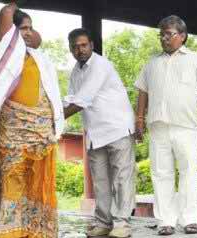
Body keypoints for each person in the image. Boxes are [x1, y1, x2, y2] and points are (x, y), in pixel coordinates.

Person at [0, 2, 64, 238]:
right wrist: (14, 11)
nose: (28, 32)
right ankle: (13, 233)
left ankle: (37, 232)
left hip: (41, 134)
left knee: (37, 184)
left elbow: (37, 38)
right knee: (15, 182)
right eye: (23, 29)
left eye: (31, 28)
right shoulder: (7, 54)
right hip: (14, 131)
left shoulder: (37, 56)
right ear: (11, 32)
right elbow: (6, 13)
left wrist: (28, 30)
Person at [134, 15, 197, 236]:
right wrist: (139, 119)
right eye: (161, 34)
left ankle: (190, 219)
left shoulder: (195, 59)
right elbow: (142, 92)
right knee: (161, 174)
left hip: (186, 127)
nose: (164, 38)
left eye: (168, 34)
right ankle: (165, 221)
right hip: (158, 127)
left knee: (189, 172)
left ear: (182, 36)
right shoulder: (152, 63)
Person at [64, 28, 136, 238]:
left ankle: (122, 223)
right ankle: (104, 223)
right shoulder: (76, 71)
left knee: (122, 178)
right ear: (71, 49)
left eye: (84, 45)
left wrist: (53, 119)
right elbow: (70, 98)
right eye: (75, 47)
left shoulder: (101, 65)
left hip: (117, 128)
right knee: (101, 181)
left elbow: (82, 99)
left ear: (92, 45)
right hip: (95, 133)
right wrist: (51, 112)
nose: (80, 50)